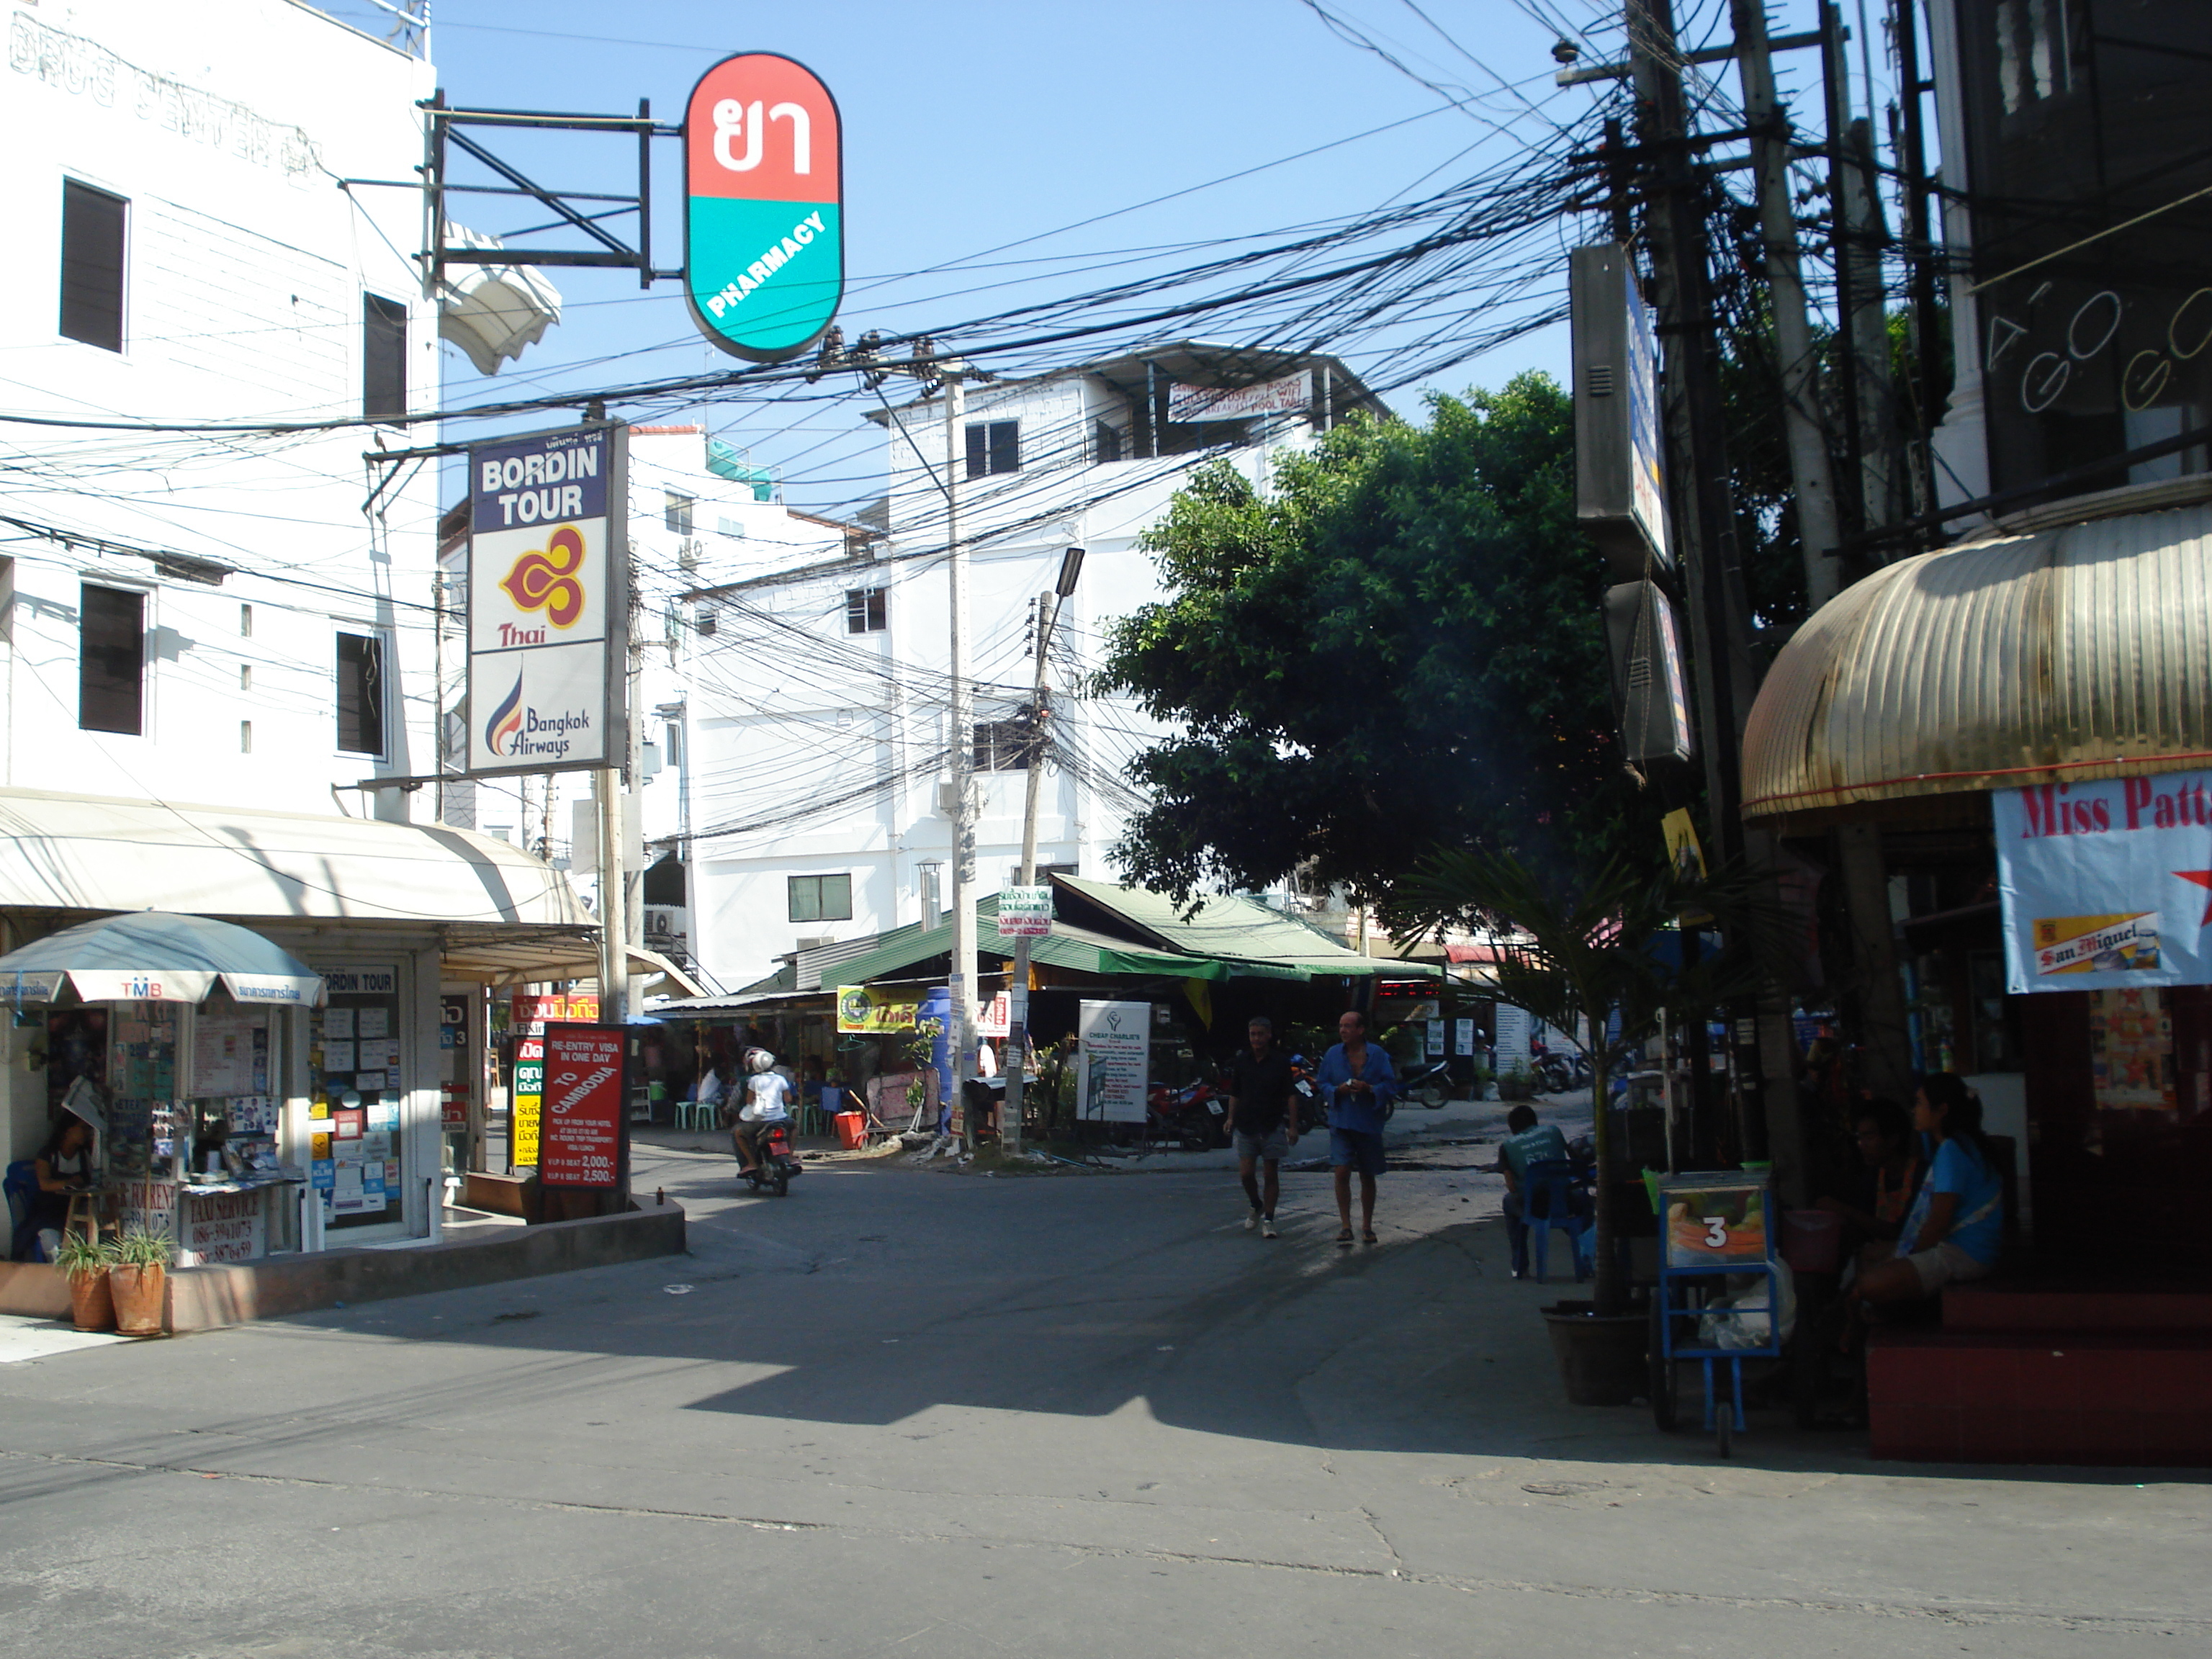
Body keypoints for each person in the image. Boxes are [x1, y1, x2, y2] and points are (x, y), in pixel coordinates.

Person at [1849, 1073, 2004, 1315]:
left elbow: (1937, 1225)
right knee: (1870, 1256)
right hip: (1969, 1250)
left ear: (1941, 1110)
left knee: (1870, 1284)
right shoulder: (1962, 1144)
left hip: (1965, 1255)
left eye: (1920, 1103)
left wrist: (1905, 1260)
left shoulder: (1952, 1152)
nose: (1914, 1110)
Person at [1316, 1009, 1399, 1246]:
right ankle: (1345, 1225)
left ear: (1360, 1030)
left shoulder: (1378, 1055)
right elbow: (1322, 1083)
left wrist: (1371, 1089)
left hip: (1368, 1123)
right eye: (1341, 1026)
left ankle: (1367, 1226)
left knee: (1367, 1174)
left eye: (1348, 1026)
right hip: (1341, 1121)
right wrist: (1336, 1091)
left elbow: (1391, 1085)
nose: (1343, 1030)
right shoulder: (1332, 1055)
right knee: (1341, 1170)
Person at [1815, 1097, 1919, 1267]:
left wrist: (1844, 1210)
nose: (1862, 1145)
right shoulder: (1874, 1176)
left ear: (1893, 1139)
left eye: (1869, 1137)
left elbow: (1900, 1234)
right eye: (1860, 1137)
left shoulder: (1921, 1176)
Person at [1224, 1015, 1298, 1238]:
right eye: (1252, 1034)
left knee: (1270, 1174)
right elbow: (1235, 1093)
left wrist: (1293, 1126)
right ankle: (1256, 1204)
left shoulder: (1281, 1062)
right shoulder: (1242, 1061)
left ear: (1268, 1035)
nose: (1256, 1039)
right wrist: (1230, 1118)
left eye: (1260, 1034)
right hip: (1246, 1125)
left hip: (1271, 1125)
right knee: (1246, 1174)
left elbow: (1291, 1095)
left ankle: (1269, 1219)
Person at [1496, 1103, 1574, 1280]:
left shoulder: (1507, 1146)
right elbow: (1572, 1161)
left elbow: (1512, 1186)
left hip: (1534, 1208)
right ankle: (1590, 1254)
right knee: (1579, 1204)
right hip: (1565, 1202)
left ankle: (1520, 1266)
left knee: (1510, 1202)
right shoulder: (1554, 1132)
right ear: (1535, 1121)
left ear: (1512, 1128)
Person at [32, 1117, 96, 1262]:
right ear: (68, 1131)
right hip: (49, 1212)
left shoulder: (84, 1155)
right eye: (82, 1128)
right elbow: (45, 1184)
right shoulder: (48, 1154)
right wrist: (69, 1182)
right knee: (53, 1245)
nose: (86, 1133)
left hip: (76, 1209)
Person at [732, 1047, 796, 1175]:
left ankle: (751, 1163)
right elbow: (788, 1099)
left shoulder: (754, 1080)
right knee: (794, 1127)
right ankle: (790, 1156)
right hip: (780, 1120)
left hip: (759, 1122)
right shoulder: (780, 1079)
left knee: (737, 1132)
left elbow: (749, 1101)